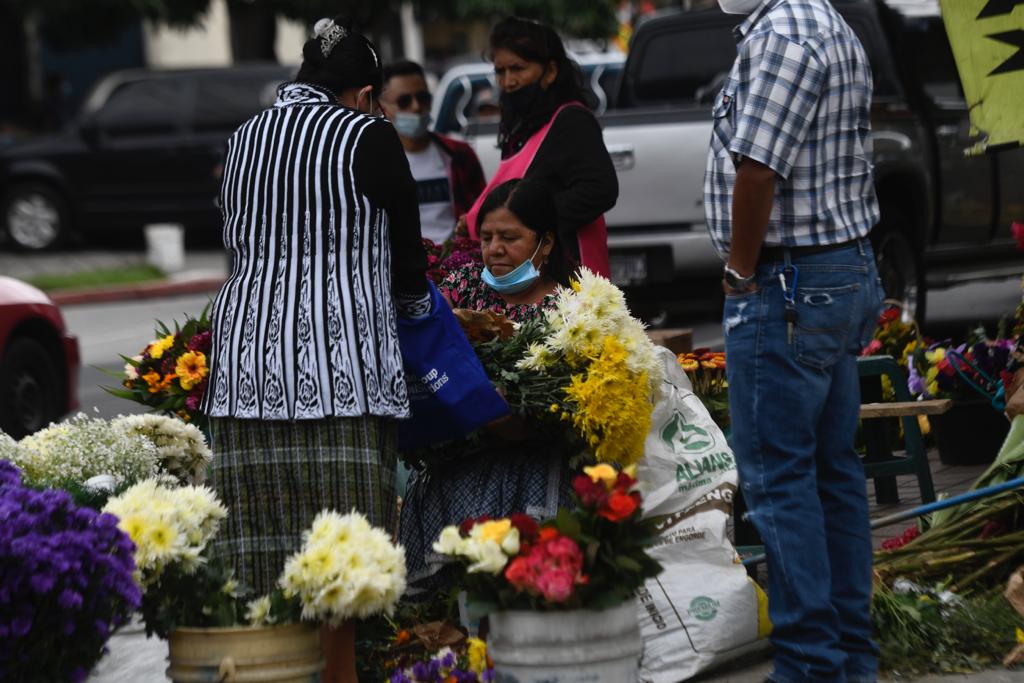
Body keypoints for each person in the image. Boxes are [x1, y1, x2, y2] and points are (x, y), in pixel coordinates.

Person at [202, 17, 428, 682]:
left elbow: (237, 235)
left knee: (262, 552)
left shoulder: (242, 138)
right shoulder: (369, 136)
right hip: (343, 369)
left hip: (246, 368)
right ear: (361, 94)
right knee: (343, 554)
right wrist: (422, 321)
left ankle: (273, 670)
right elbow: (408, 261)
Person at [704, 0, 884, 681]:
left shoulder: (782, 35)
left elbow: (758, 171)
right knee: (831, 470)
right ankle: (847, 657)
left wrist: (740, 272)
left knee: (780, 480)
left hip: (789, 280)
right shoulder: (825, 20)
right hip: (837, 269)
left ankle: (812, 663)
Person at [399, 177, 573, 597]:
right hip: (455, 463)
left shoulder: (568, 312)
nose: (494, 249)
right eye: (487, 237)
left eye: (509, 238)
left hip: (529, 466)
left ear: (545, 244)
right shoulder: (460, 288)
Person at [465, 17, 618, 277]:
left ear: (550, 72)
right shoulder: (522, 127)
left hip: (567, 276)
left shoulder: (570, 121)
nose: (508, 82)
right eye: (500, 72)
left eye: (518, 69)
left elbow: (599, 189)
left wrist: (530, 222)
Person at [379, 60, 487, 244]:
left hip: (456, 261)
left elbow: (483, 213)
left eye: (422, 98)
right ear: (384, 107)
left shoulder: (459, 155)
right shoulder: (377, 164)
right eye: (404, 101)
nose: (416, 106)